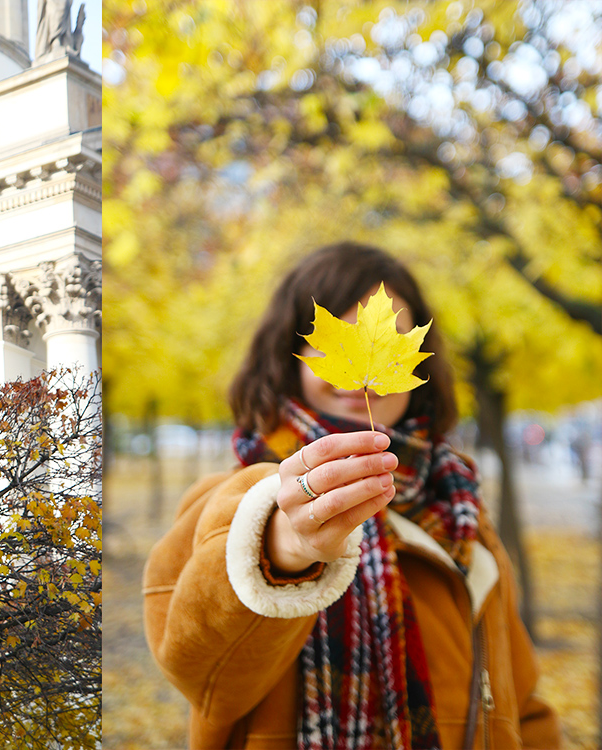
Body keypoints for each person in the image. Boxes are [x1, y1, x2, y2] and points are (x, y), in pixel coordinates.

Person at [142, 243, 561, 749]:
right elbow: (196, 671)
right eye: (325, 343)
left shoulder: (461, 512)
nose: (365, 368)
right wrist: (283, 550)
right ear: (288, 358)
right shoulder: (236, 498)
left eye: (393, 342)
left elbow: (523, 702)